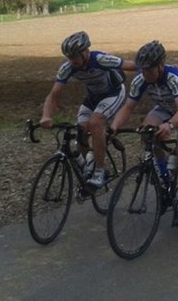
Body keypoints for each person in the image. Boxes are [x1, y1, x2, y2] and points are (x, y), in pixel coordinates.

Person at [109, 40, 178, 225]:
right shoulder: (140, 79)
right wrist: (113, 127)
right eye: (143, 69)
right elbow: (128, 107)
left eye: (150, 70)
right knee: (146, 132)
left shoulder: (173, 77)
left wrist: (169, 126)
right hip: (164, 108)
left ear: (160, 66)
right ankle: (164, 172)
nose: (146, 74)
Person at [40, 31, 136, 189]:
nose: (72, 61)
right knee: (81, 129)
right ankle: (88, 163)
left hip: (114, 93)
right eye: (69, 57)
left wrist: (159, 67)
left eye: (75, 56)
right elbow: (54, 95)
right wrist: (46, 116)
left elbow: (131, 65)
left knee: (96, 123)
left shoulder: (100, 59)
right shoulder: (68, 67)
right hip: (93, 97)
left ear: (85, 52)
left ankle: (100, 171)